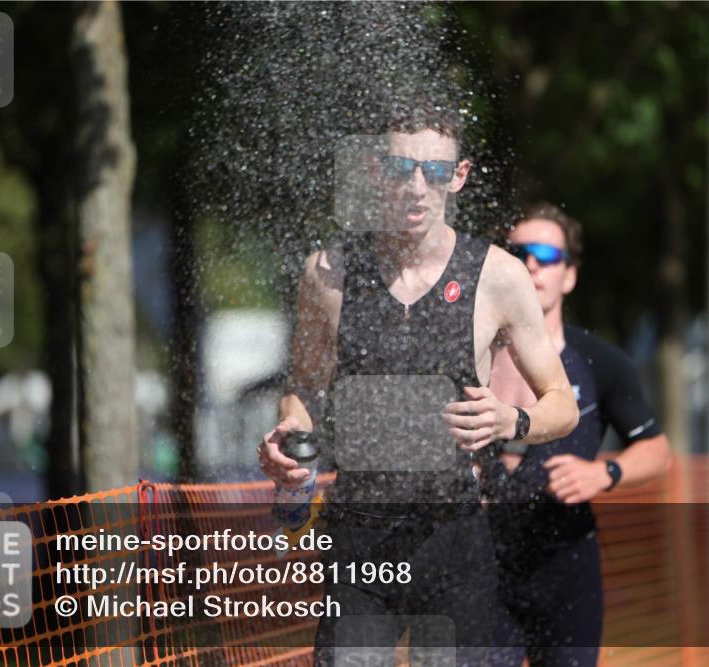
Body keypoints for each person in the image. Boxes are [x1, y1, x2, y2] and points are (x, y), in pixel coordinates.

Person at [257, 106, 580, 666]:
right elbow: (304, 388)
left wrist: (512, 421)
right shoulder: (328, 274)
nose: (416, 187)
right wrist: (289, 437)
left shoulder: (498, 275)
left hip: (453, 538)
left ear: (458, 176)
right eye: (401, 168)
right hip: (359, 541)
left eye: (434, 172)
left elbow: (564, 402)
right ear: (376, 170)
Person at [484, 202, 674, 667]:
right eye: (517, 251)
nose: (530, 263)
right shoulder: (469, 355)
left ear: (569, 275)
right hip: (479, 566)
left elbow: (657, 450)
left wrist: (604, 472)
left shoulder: (600, 362)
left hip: (566, 567)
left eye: (546, 255)